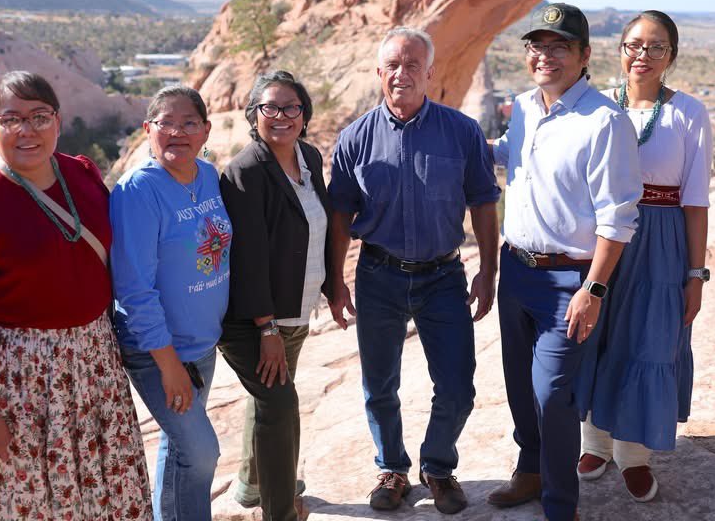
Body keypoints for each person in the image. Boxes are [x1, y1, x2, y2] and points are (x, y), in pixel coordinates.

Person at [0, 71, 152, 520]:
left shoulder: (82, 174)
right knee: (25, 502)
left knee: (104, 493)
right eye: (11, 119)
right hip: (19, 381)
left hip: (93, 371)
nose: (26, 130)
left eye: (39, 116)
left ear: (58, 121)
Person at [328, 27, 502, 515]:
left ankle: (438, 466)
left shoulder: (461, 131)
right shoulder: (355, 138)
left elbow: (484, 203)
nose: (401, 74)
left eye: (412, 65)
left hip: (443, 276)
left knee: (456, 384)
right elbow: (340, 213)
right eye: (392, 65)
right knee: (379, 384)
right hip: (378, 275)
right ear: (379, 73)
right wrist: (335, 279)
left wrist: (488, 271)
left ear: (430, 72)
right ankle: (392, 468)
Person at [485, 4, 642, 521]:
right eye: (537, 46)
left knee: (552, 395)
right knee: (517, 381)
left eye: (559, 47)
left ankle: (560, 506)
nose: (545, 56)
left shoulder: (604, 120)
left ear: (584, 55)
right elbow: (507, 155)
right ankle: (530, 470)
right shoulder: (526, 107)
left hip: (568, 280)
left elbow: (617, 218)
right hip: (517, 271)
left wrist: (593, 289)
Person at [575, 10, 712, 502]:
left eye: (656, 47)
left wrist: (695, 274)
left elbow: (695, 201)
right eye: (635, 44)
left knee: (649, 343)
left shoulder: (689, 113)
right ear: (620, 49)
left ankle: (633, 456)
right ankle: (594, 442)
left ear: (671, 56)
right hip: (601, 240)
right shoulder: (594, 105)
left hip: (660, 242)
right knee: (596, 337)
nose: (644, 56)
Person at [110, 86, 231, 521]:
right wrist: (168, 366)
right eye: (165, 122)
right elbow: (134, 291)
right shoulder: (137, 192)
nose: (177, 132)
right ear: (148, 130)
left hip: (202, 344)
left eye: (189, 123)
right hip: (160, 351)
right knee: (202, 454)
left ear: (205, 131)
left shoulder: (210, 176)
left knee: (178, 447)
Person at [219, 70, 332, 521]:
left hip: (298, 307)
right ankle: (279, 510)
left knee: (267, 399)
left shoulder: (309, 157)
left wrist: (332, 289)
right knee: (279, 405)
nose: (281, 116)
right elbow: (248, 258)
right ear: (254, 115)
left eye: (291, 107)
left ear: (304, 115)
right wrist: (265, 327)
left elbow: (318, 229)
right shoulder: (246, 171)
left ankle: (251, 484)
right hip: (258, 317)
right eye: (270, 107)